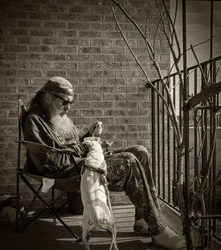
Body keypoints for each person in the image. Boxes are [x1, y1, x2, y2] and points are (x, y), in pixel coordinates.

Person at [22, 76, 186, 250]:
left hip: (82, 161)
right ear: (48, 97)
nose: (68, 108)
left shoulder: (55, 116)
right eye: (65, 102)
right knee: (129, 161)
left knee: (139, 151)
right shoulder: (35, 121)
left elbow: (75, 142)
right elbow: (50, 162)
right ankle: (158, 229)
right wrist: (89, 153)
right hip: (70, 171)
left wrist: (90, 136)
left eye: (71, 103)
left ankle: (142, 220)